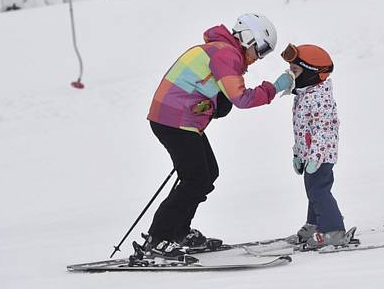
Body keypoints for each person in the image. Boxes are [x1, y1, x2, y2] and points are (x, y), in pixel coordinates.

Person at [142, 13, 294, 258]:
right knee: (195, 178)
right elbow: (242, 99)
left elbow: (216, 96)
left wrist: (213, 105)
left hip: (177, 120)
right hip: (173, 121)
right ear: (247, 38)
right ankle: (158, 237)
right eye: (261, 50)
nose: (259, 58)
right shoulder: (226, 54)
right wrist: (274, 87)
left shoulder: (219, 51)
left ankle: (180, 232)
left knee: (206, 174)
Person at [279, 43, 348, 249]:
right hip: (310, 155)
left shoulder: (319, 97)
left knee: (319, 191)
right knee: (313, 190)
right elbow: (303, 130)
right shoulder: (304, 94)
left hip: (321, 156)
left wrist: (316, 156)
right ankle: (315, 223)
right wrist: (298, 154)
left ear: (310, 73)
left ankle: (333, 230)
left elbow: (324, 129)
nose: (291, 75)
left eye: (295, 70)